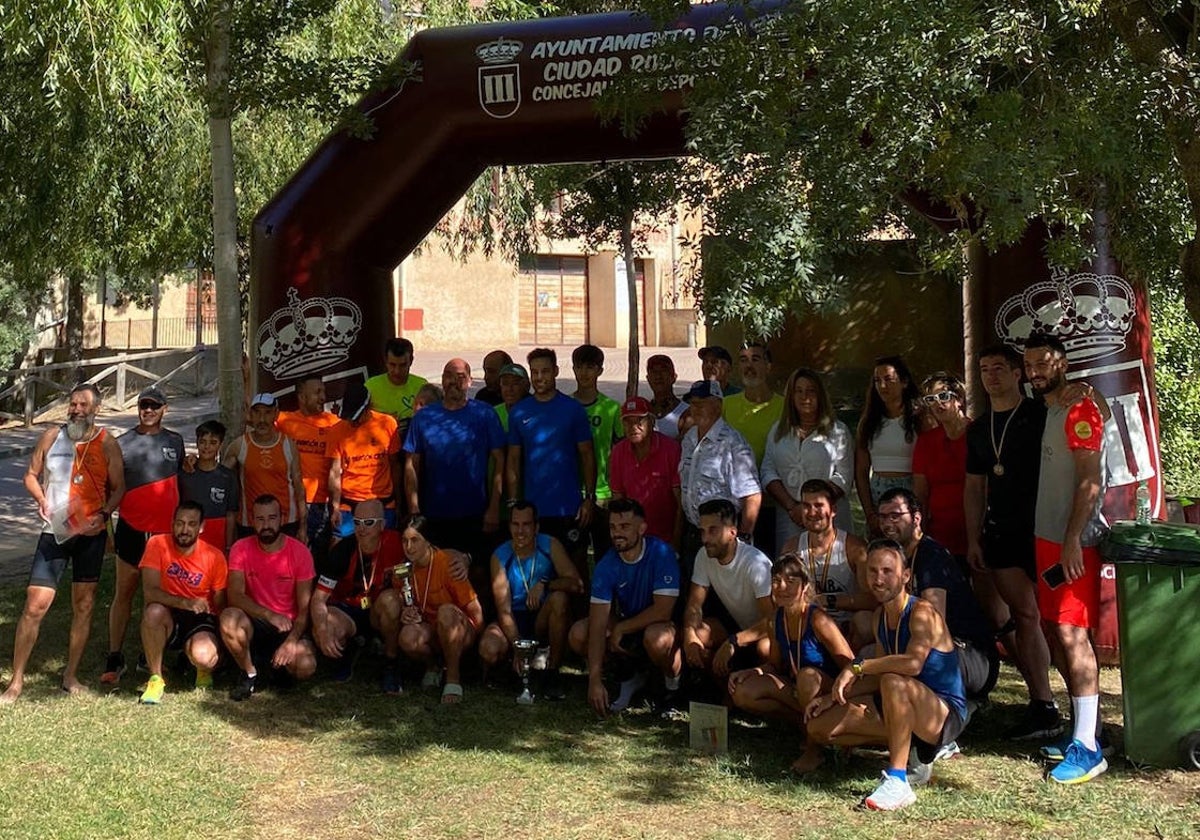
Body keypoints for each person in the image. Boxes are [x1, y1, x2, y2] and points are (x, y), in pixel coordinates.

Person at [805, 539, 969, 811]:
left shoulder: (922, 612)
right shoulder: (879, 616)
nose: (878, 579)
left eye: (887, 571)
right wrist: (832, 696)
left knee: (893, 681)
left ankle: (898, 779)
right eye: (872, 571)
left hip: (942, 712)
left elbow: (912, 665)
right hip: (901, 701)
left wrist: (858, 667)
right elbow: (878, 674)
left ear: (905, 576)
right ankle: (913, 752)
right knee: (819, 726)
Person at [1, 384, 124, 703]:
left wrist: (105, 514)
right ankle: (16, 682)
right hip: (53, 532)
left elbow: (119, 487)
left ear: (96, 409)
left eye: (83, 404)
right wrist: (41, 498)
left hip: (90, 535)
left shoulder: (107, 442)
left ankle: (70, 675)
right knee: (34, 605)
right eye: (72, 404)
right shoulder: (52, 436)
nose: (76, 409)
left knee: (83, 606)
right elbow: (30, 474)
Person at [1024, 333, 1109, 784]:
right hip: (1046, 539)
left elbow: (1089, 479)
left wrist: (1074, 537)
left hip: (1071, 542)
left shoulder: (1080, 407)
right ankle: (1083, 729)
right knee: (1056, 631)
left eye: (1043, 362)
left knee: (1073, 635)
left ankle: (1089, 748)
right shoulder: (1055, 406)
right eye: (1029, 364)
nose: (1034, 370)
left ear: (1063, 362)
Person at [965, 343, 1062, 740]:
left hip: (1043, 531)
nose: (991, 376)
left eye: (1000, 368)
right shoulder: (978, 428)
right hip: (1000, 533)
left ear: (1017, 373)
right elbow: (974, 487)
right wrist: (973, 538)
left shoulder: (1041, 415)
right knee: (1023, 616)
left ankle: (1084, 711)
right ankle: (1042, 704)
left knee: (1059, 622)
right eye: (985, 369)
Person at [728, 555, 854, 772]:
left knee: (807, 676)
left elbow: (851, 665)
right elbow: (774, 667)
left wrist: (832, 697)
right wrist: (752, 671)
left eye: (791, 581)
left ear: (805, 586)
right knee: (743, 691)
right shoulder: (775, 618)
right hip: (799, 688)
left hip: (828, 694)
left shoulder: (818, 619)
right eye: (776, 581)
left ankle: (816, 749)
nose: (782, 587)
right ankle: (804, 726)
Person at [876, 488, 998, 707]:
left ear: (916, 518)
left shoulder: (931, 556)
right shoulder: (900, 556)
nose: (887, 523)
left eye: (895, 516)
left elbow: (935, 620)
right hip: (934, 647)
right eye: (883, 517)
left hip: (970, 655)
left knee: (913, 657)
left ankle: (954, 713)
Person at [569, 498, 682, 717]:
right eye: (612, 527)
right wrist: (594, 680)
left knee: (657, 637)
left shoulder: (661, 553)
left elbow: (663, 611)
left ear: (642, 528)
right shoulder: (606, 564)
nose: (617, 533)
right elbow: (598, 622)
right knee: (579, 633)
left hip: (661, 625)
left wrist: (622, 628)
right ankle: (626, 677)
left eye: (624, 526)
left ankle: (672, 689)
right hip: (629, 624)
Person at [405, 358, 505, 604]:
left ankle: (478, 630)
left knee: (477, 573)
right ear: (442, 379)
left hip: (475, 513)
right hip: (435, 514)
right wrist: (414, 508)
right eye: (449, 375)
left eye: (461, 376)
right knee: (436, 574)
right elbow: (411, 465)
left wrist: (494, 507)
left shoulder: (484, 414)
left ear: (470, 381)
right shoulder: (424, 418)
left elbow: (501, 462)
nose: (454, 381)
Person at [106, 385, 186, 685]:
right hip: (130, 530)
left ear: (164, 409)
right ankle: (115, 655)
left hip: (164, 535)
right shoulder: (121, 443)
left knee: (156, 599)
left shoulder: (175, 442)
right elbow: (109, 491)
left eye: (154, 406)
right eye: (143, 405)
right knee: (123, 593)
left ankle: (149, 654)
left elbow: (182, 476)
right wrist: (108, 532)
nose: (148, 410)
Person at [478, 501, 584, 700]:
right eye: (515, 525)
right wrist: (518, 647)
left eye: (526, 524)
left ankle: (552, 673)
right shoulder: (500, 556)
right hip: (514, 617)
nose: (520, 531)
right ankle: (513, 666)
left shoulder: (550, 545)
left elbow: (576, 584)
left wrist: (546, 584)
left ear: (536, 527)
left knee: (560, 599)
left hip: (542, 617)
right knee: (488, 649)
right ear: (509, 527)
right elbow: (504, 610)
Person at [505, 348, 596, 574]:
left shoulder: (573, 409)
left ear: (555, 371)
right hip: (534, 510)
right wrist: (514, 502)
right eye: (534, 372)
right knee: (538, 570)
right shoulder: (519, 412)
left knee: (576, 568)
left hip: (569, 506)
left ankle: (582, 610)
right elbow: (514, 459)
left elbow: (587, 455)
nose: (539, 377)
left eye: (545, 371)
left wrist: (589, 498)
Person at [220, 494, 318, 700]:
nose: (266, 525)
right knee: (229, 617)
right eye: (260, 519)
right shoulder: (240, 548)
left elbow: (304, 610)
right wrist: (268, 614)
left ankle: (277, 668)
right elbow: (235, 596)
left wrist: (291, 641)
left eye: (272, 518)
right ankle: (249, 673)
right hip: (256, 621)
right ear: (252, 520)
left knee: (306, 666)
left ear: (282, 519)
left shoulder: (299, 552)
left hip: (289, 625)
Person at [310, 500, 405, 694]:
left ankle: (390, 664)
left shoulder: (399, 543)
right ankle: (348, 651)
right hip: (348, 611)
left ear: (382, 525)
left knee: (391, 600)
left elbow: (428, 556)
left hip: (380, 609)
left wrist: (464, 558)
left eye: (369, 522)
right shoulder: (343, 549)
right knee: (324, 626)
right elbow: (318, 599)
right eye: (357, 522)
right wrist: (321, 629)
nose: (361, 528)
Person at [137, 501, 228, 704]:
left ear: (201, 527)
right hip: (168, 612)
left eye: (191, 524)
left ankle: (203, 666)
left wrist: (222, 639)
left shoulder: (215, 557)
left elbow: (220, 605)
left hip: (200, 617)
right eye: (179, 523)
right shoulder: (156, 544)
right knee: (152, 612)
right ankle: (156, 679)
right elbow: (149, 592)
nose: (184, 529)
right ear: (172, 523)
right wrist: (185, 602)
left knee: (204, 656)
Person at [680, 499, 773, 683]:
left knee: (766, 647)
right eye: (702, 531)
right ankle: (721, 691)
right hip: (736, 629)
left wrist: (734, 640)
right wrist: (689, 633)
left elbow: (772, 621)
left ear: (732, 532)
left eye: (713, 530)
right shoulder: (703, 556)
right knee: (697, 633)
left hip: (765, 633)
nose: (705, 539)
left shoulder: (755, 564)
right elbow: (694, 605)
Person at [761, 367, 855, 545]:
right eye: (799, 391)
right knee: (791, 567)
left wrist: (812, 507)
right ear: (791, 396)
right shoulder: (778, 431)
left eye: (811, 390)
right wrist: (793, 507)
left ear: (820, 394)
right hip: (790, 516)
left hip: (827, 516)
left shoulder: (838, 431)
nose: (805, 397)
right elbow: (768, 471)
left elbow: (843, 476)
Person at [397, 515, 483, 704]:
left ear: (427, 541)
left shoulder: (447, 563)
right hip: (431, 630)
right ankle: (433, 667)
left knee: (445, 611)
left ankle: (453, 678)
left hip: (460, 629)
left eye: (415, 540)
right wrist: (406, 612)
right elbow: (404, 600)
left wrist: (476, 643)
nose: (409, 547)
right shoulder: (403, 569)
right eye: (404, 541)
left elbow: (476, 611)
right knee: (407, 637)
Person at [678, 379, 761, 571]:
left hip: (722, 537)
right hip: (693, 532)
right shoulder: (689, 439)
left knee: (721, 597)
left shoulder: (734, 443)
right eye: (692, 404)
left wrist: (744, 538)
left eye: (702, 403)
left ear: (717, 405)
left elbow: (752, 495)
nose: (695, 409)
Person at [778, 479, 870, 645]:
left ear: (833, 510)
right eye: (806, 506)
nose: (812, 512)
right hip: (807, 625)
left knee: (865, 622)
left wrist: (829, 600)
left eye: (818, 505)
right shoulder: (791, 547)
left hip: (846, 626)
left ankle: (853, 665)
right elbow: (780, 596)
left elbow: (871, 599)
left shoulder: (855, 548)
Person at [722, 342, 784, 555]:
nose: (749, 366)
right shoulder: (726, 405)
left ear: (768, 366)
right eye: (743, 360)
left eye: (755, 359)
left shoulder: (785, 408)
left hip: (772, 505)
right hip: (734, 505)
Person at [276, 374, 346, 564]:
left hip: (321, 503)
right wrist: (247, 378)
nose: (323, 397)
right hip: (292, 502)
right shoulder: (285, 421)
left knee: (318, 559)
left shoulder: (335, 423)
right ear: (301, 397)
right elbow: (253, 418)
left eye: (323, 391)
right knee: (291, 558)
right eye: (317, 392)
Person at [223, 392, 307, 541]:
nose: (262, 419)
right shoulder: (239, 445)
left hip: (286, 521)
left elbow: (299, 487)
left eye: (267, 413)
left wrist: (303, 527)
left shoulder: (288, 445)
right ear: (251, 415)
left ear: (276, 414)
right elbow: (219, 477)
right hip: (250, 522)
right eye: (257, 413)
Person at [855, 356, 921, 535]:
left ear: (904, 382)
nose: (882, 386)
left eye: (889, 380)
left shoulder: (920, 418)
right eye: (877, 381)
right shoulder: (868, 421)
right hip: (878, 496)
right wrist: (870, 513)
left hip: (911, 494)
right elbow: (861, 471)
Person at [329, 381, 402, 540]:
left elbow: (395, 465)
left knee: (384, 552)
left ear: (368, 407)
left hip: (383, 503)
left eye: (356, 417)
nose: (352, 422)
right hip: (349, 504)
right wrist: (335, 507)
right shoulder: (337, 430)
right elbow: (334, 472)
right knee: (339, 551)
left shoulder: (387, 424)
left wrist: (399, 503)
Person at [571, 344, 623, 560]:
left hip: (603, 494)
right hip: (571, 493)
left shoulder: (611, 408)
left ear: (600, 370)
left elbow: (621, 451)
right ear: (573, 369)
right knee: (575, 555)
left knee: (606, 554)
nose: (584, 373)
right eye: (580, 367)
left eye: (590, 367)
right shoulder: (565, 405)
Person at [912, 373, 971, 559]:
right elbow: (921, 494)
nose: (938, 403)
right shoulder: (926, 442)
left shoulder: (979, 433)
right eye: (931, 399)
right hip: (939, 534)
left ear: (959, 399)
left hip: (977, 532)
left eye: (944, 396)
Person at [609, 396, 682, 546]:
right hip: (633, 540)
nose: (633, 427)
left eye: (639, 421)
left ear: (652, 421)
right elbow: (618, 499)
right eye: (627, 422)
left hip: (665, 539)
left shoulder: (671, 450)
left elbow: (681, 503)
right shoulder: (618, 452)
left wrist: (676, 543)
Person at [177, 420, 239, 555]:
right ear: (197, 443)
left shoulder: (227, 477)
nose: (207, 447)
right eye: (203, 441)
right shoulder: (185, 473)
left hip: (217, 538)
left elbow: (231, 514)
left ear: (221, 445)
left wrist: (228, 546)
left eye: (213, 443)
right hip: (190, 537)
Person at [363, 337, 427, 441]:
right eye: (392, 365)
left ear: (411, 361)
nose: (397, 371)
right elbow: (359, 423)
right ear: (385, 361)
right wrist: (384, 422)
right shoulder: (371, 386)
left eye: (402, 365)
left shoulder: (422, 386)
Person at [646, 354, 686, 440]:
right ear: (648, 378)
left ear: (674, 377)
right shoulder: (644, 411)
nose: (658, 377)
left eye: (663, 371)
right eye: (653, 372)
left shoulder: (686, 413)